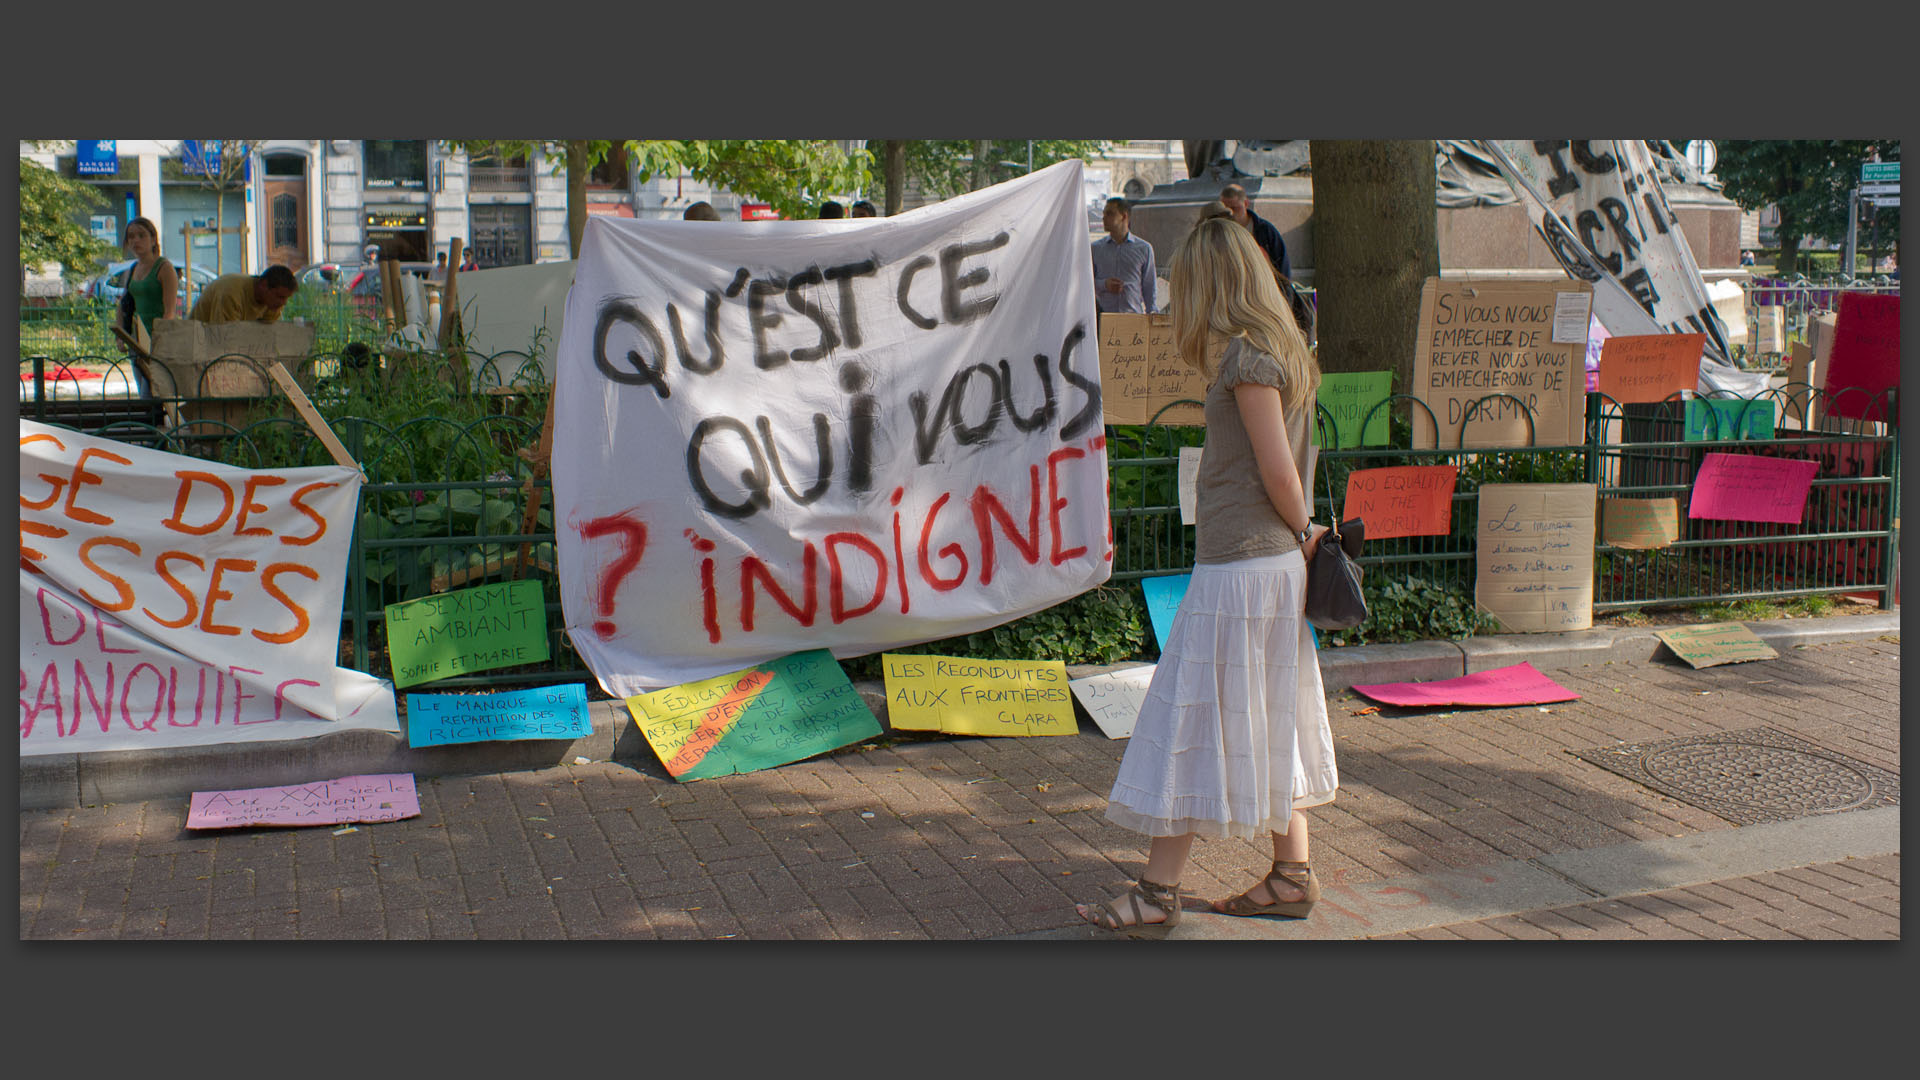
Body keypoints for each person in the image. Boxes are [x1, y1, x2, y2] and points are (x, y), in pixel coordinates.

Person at [1076, 216, 1336, 938]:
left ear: (1214, 284)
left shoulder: (1250, 359)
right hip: (1265, 566)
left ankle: (1159, 891)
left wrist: (1304, 529)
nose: (1175, 298)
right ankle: (1291, 873)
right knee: (1263, 713)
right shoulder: (1281, 348)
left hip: (1246, 565)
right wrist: (1304, 536)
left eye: (1184, 284)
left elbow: (1277, 473)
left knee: (1191, 716)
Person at [1090, 197, 1156, 314]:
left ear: (1124, 216)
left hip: (1133, 317)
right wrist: (1105, 285)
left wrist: (1152, 315)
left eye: (1110, 214)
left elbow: (1149, 287)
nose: (1104, 218)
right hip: (1103, 318)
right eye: (1104, 214)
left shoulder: (1144, 249)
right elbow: (1086, 283)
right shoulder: (1095, 249)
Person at [119, 216, 178, 340]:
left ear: (153, 239)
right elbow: (123, 304)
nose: (136, 240)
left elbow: (170, 312)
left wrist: (159, 339)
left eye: (141, 236)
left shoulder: (164, 268)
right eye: (131, 236)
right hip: (138, 339)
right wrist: (121, 336)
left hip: (162, 338)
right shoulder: (133, 268)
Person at [1220, 182, 1291, 279]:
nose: (1230, 213)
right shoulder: (1219, 231)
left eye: (1234, 208)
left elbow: (1282, 265)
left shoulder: (1265, 230)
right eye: (1225, 209)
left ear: (1245, 203)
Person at [189, 265, 298, 324]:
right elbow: (222, 337)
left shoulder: (271, 303)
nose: (283, 303)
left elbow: (267, 329)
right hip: (195, 345)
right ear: (264, 285)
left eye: (286, 298)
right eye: (280, 297)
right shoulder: (231, 293)